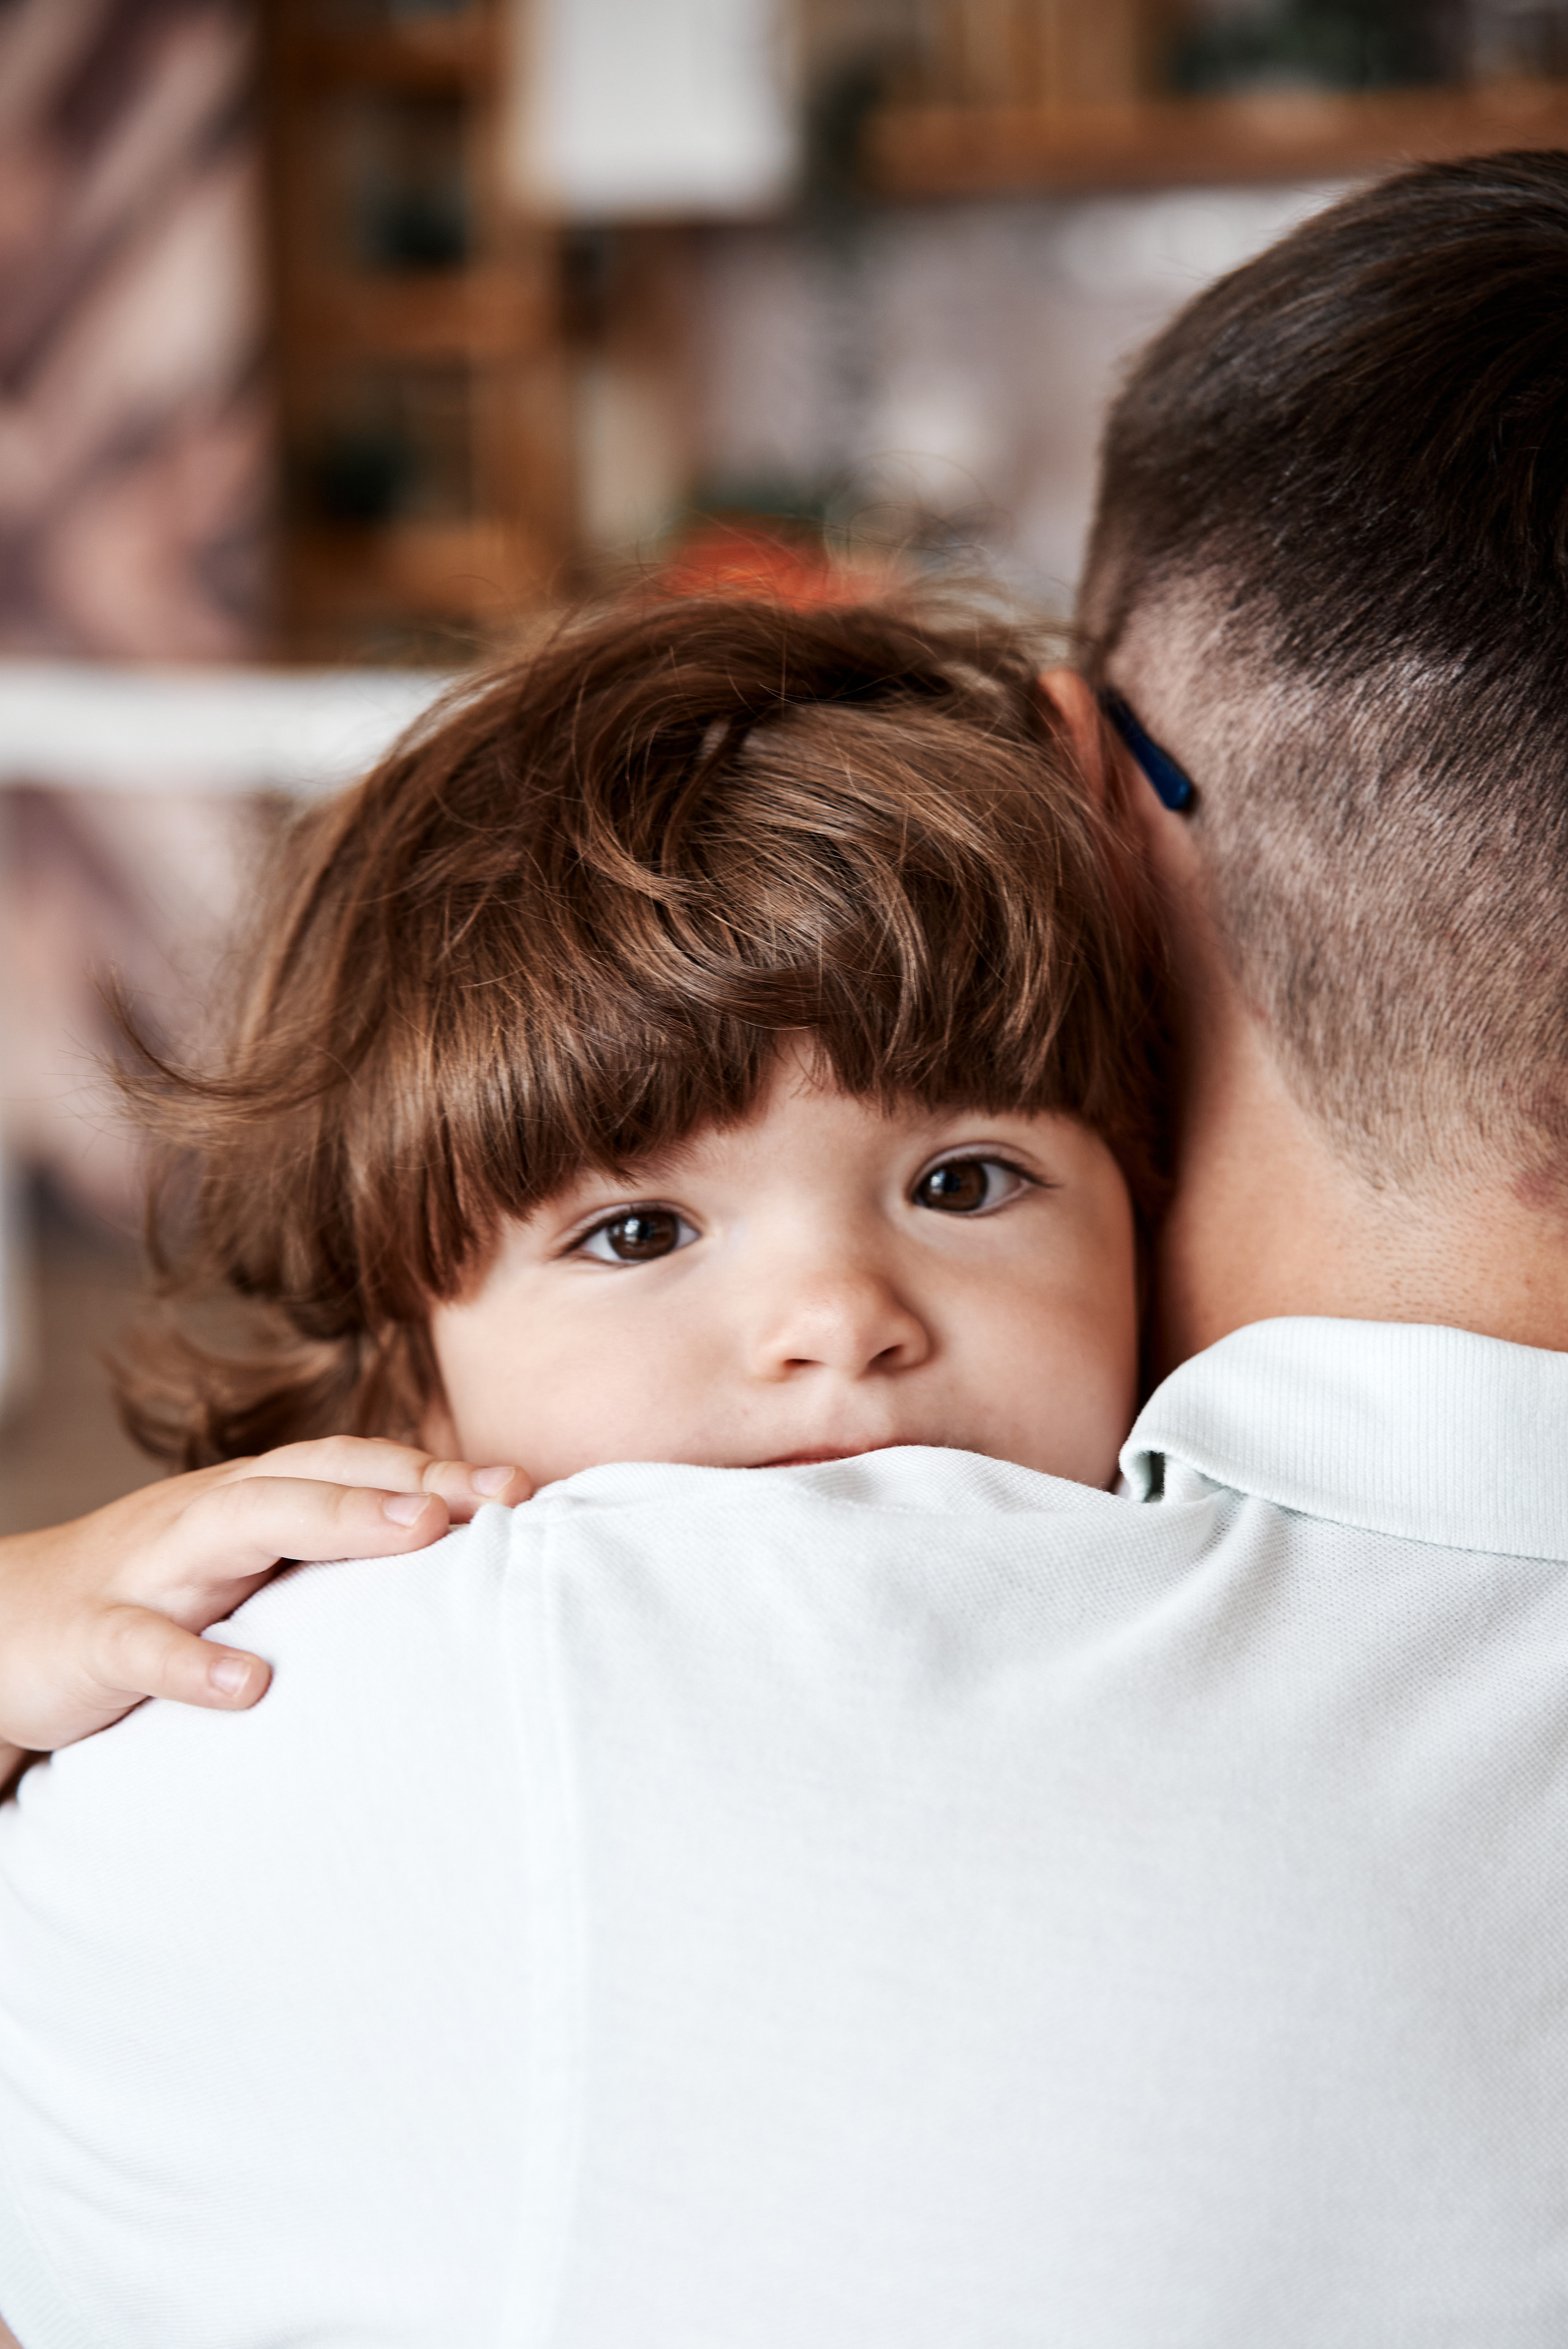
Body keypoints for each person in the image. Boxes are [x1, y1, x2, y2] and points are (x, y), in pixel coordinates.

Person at [6, 145, 1568, 2345]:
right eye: (636, 1225)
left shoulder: (388, 1751)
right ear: (405, 1373)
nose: (837, 1321)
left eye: (967, 1180)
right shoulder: (313, 1654)